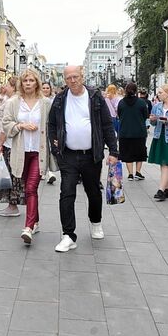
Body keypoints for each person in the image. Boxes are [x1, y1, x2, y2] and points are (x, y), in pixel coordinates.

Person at [47, 65, 118, 252]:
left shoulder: (95, 97)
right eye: (68, 77)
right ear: (65, 79)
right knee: (66, 192)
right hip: (68, 155)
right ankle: (68, 235)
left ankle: (96, 222)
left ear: (82, 76)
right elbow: (51, 124)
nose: (72, 80)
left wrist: (113, 151)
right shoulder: (60, 98)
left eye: (75, 77)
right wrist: (54, 145)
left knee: (93, 191)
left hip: (91, 155)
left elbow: (107, 124)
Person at [1, 68, 54, 246]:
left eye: (31, 80)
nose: (28, 83)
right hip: (20, 152)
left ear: (37, 82)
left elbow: (52, 124)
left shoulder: (45, 103)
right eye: (25, 81)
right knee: (27, 188)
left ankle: (28, 228)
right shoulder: (14, 102)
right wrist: (21, 126)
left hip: (39, 152)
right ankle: (35, 220)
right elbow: (6, 124)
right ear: (21, 83)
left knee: (31, 187)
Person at [0, 76, 23, 217]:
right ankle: (11, 204)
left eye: (8, 85)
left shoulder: (11, 102)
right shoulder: (11, 101)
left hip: (4, 140)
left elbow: (5, 124)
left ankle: (12, 205)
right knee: (6, 172)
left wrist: (0, 143)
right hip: (3, 139)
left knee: (6, 172)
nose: (5, 87)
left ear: (14, 87)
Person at [117, 82, 149, 180]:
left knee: (127, 153)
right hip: (139, 132)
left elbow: (119, 115)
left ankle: (130, 174)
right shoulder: (141, 102)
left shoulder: (121, 102)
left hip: (125, 132)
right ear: (136, 91)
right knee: (140, 152)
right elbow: (145, 116)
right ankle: (138, 172)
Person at [41, 81, 58, 184]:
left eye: (47, 88)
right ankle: (43, 172)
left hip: (51, 128)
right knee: (42, 150)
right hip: (41, 128)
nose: (45, 90)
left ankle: (50, 173)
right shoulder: (38, 100)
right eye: (43, 88)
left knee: (50, 150)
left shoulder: (54, 99)